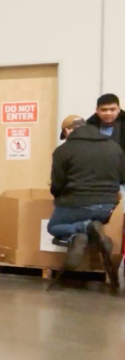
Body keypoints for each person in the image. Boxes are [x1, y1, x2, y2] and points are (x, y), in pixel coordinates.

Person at [48, 118, 125, 276]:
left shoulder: (63, 150)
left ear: (68, 130)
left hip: (76, 204)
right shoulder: (114, 147)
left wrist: (59, 199)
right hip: (108, 207)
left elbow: (57, 185)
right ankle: (85, 232)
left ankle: (82, 230)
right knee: (89, 220)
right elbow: (122, 178)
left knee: (53, 227)